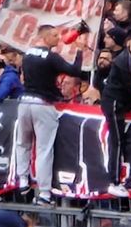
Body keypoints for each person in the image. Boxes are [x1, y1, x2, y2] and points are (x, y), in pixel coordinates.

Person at [14, 25, 89, 205]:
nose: (58, 39)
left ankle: (23, 180)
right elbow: (75, 71)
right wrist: (79, 51)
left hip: (24, 102)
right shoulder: (51, 57)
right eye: (54, 35)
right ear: (45, 37)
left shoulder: (27, 54)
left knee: (22, 143)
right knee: (44, 149)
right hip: (43, 104)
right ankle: (45, 193)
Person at [99, 30, 131, 196]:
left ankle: (116, 179)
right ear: (129, 42)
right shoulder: (123, 61)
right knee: (117, 141)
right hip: (114, 102)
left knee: (119, 140)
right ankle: (113, 181)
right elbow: (129, 86)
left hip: (122, 102)